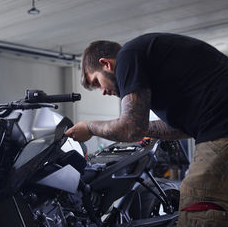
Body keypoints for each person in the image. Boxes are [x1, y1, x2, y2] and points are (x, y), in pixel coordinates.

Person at [65, 33, 228, 226]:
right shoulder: (149, 64)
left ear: (105, 64)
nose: (103, 91)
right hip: (217, 123)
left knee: (199, 200)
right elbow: (179, 129)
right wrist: (144, 130)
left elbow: (131, 128)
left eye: (96, 82)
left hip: (220, 126)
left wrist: (89, 128)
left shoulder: (128, 56)